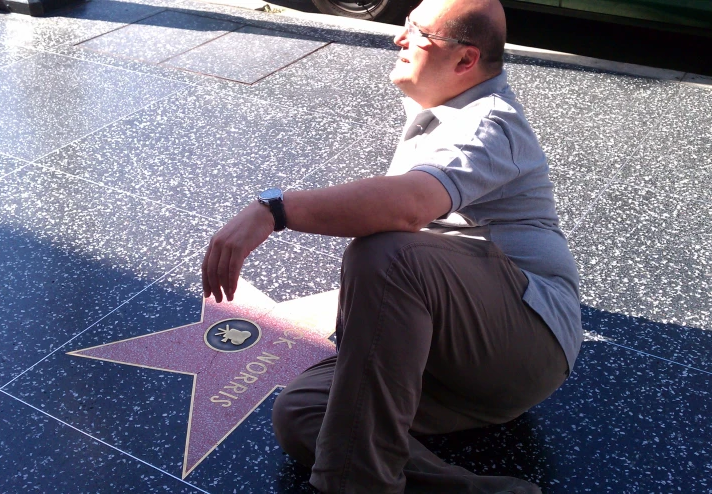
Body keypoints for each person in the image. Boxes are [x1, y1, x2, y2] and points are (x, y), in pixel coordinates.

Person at [202, 0, 582, 491]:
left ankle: (353, 487)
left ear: (466, 60)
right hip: (452, 367)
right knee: (302, 412)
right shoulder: (441, 111)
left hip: (526, 344)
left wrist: (272, 210)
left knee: (387, 253)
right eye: (404, 25)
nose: (398, 39)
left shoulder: (487, 124)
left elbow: (406, 208)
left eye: (417, 32)